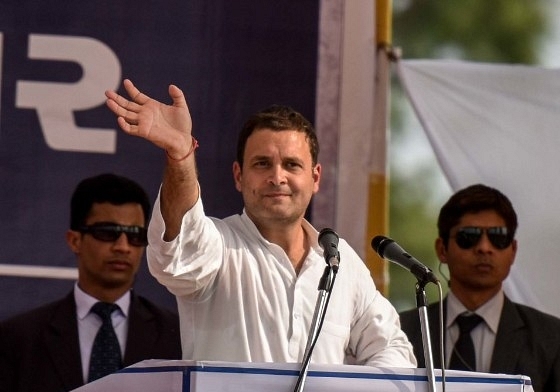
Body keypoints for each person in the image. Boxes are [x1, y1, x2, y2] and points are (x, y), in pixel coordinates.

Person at [103, 79, 417, 367]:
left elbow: (392, 349)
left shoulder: (340, 260)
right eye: (262, 163)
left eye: (292, 165)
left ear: (315, 177)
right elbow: (178, 250)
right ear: (239, 176)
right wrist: (180, 154)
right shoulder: (221, 245)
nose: (277, 177)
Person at [399, 183, 560, 392]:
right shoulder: (401, 330)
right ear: (442, 249)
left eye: (498, 237)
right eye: (469, 236)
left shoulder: (556, 340)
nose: (484, 247)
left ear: (513, 251)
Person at [0, 173, 182, 392]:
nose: (123, 247)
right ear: (74, 240)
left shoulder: (175, 336)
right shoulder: (18, 339)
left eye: (136, 236)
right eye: (108, 233)